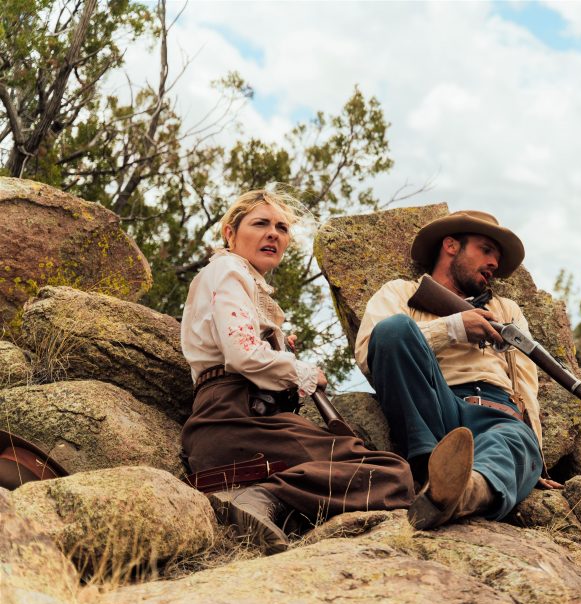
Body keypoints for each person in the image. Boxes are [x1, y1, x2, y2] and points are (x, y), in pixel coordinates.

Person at [180, 189, 414, 554]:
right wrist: (304, 371)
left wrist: (276, 346)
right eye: (260, 224)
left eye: (282, 228)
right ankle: (260, 496)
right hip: (232, 418)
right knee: (392, 474)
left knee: (370, 465)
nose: (273, 233)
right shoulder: (228, 271)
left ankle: (263, 501)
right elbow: (242, 356)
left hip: (232, 429)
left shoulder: (240, 282)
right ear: (229, 233)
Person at [354, 210, 560, 531]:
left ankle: (458, 491)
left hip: (498, 415)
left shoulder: (507, 310)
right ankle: (430, 469)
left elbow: (526, 385)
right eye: (486, 250)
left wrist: (537, 464)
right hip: (436, 405)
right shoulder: (399, 293)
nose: (494, 263)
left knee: (512, 441)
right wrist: (453, 328)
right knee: (395, 328)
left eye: (498, 256)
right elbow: (373, 351)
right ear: (451, 246)